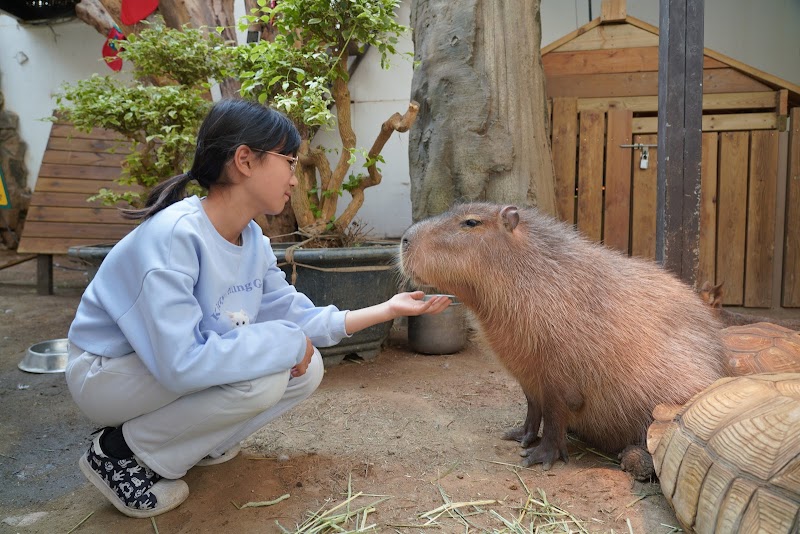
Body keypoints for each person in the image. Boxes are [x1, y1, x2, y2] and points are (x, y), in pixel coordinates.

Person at [65, 98, 450, 518]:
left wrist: (388, 309)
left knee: (305, 369)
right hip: (107, 375)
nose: (295, 179)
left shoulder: (251, 240)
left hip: (158, 370)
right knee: (263, 374)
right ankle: (120, 452)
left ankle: (197, 443)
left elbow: (294, 317)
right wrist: (284, 342)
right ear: (245, 160)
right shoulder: (175, 237)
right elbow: (180, 362)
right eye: (289, 161)